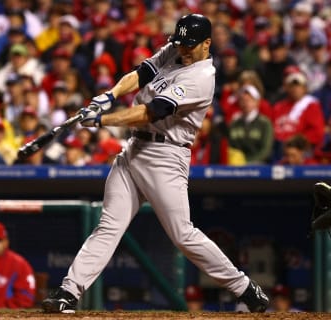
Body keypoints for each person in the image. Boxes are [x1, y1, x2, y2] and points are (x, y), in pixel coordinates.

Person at [42, 14, 269, 314]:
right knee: (109, 226)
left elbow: (150, 111)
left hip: (166, 157)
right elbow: (142, 73)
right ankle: (68, 292)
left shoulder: (202, 78)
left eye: (190, 45)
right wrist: (109, 95)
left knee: (183, 235)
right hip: (134, 148)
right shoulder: (176, 50)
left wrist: (102, 120)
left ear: (207, 44)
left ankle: (243, 287)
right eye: (181, 43)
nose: (183, 50)